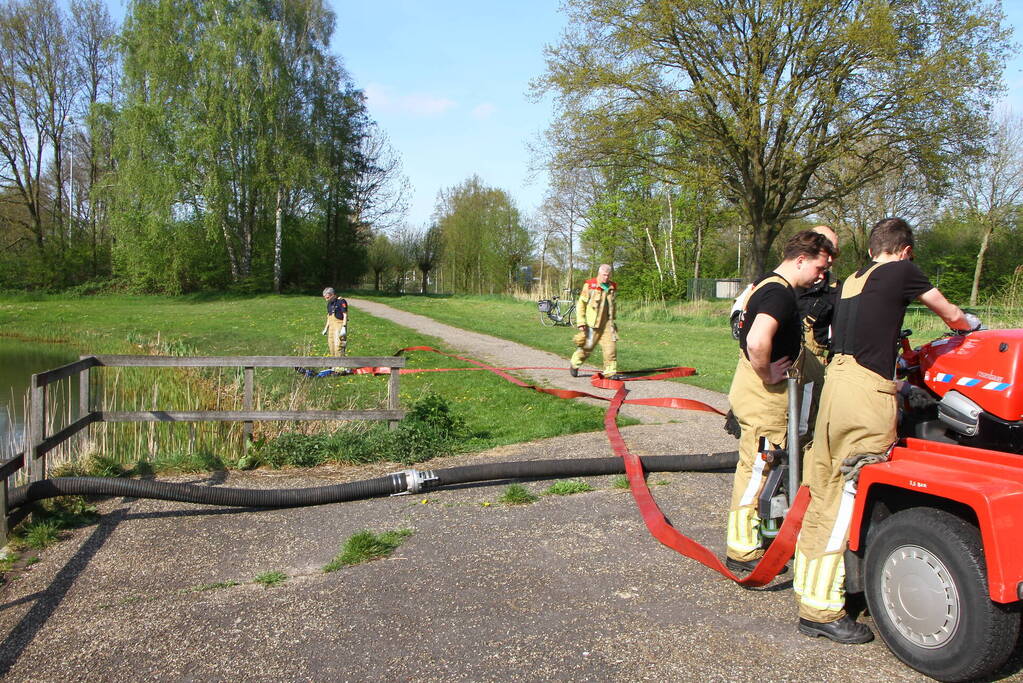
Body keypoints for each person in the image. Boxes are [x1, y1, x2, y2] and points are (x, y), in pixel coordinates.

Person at [793, 217, 980, 644]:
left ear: (871, 248)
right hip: (865, 397)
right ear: (905, 251)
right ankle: (821, 611)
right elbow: (951, 313)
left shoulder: (853, 279)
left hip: (836, 388)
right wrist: (970, 328)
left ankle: (809, 589)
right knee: (848, 495)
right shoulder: (902, 271)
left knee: (824, 492)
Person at [725, 231, 836, 574]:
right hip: (765, 398)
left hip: (758, 394)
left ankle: (761, 536)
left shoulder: (765, 284)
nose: (821, 276)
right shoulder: (779, 293)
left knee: (762, 469)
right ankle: (742, 550)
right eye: (819, 267)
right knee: (757, 471)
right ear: (800, 259)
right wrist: (768, 372)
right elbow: (758, 341)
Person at [796, 225, 841, 438]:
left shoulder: (836, 289)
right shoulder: (785, 282)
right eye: (826, 249)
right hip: (779, 364)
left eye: (835, 252)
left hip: (812, 368)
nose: (830, 258)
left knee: (804, 429)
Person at [569, 264, 621, 380]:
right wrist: (581, 322)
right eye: (604, 275)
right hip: (593, 324)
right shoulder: (590, 285)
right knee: (587, 348)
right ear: (599, 273)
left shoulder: (612, 286)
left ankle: (610, 372)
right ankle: (575, 363)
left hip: (607, 324)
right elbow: (581, 304)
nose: (606, 278)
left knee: (611, 349)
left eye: (608, 275)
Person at [322, 287, 348, 368]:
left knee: (338, 346)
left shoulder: (341, 301)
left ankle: (340, 366)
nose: (326, 299)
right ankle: (334, 365)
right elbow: (329, 316)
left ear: (332, 295)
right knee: (331, 345)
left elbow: (345, 315)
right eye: (325, 297)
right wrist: (326, 328)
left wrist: (344, 327)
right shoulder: (329, 304)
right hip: (331, 326)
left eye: (327, 297)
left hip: (339, 325)